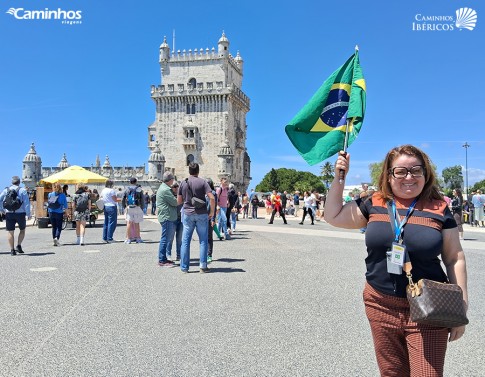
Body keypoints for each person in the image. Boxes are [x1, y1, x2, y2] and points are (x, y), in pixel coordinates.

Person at [324, 145, 468, 376]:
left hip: (429, 305)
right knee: (392, 373)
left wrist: (461, 306)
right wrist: (340, 177)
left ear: (426, 174)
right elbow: (332, 216)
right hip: (380, 303)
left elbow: (454, 258)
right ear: (388, 176)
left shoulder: (439, 207)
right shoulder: (374, 202)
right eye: (400, 171)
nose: (409, 177)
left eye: (416, 170)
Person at [178, 162, 215, 273]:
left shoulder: (183, 183)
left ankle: (184, 267)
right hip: (202, 213)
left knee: (185, 241)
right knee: (203, 240)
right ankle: (203, 266)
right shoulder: (203, 182)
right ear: (198, 171)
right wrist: (212, 212)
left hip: (188, 214)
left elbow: (179, 201)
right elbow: (212, 198)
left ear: (189, 171)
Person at [0, 176, 31, 255]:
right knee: (22, 230)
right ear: (19, 182)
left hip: (9, 213)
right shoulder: (23, 190)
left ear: (12, 182)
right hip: (21, 214)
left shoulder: (6, 190)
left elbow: (0, 200)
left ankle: (12, 250)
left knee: (10, 232)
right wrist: (28, 214)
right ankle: (19, 245)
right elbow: (27, 203)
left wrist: (2, 210)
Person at [156, 172, 178, 267]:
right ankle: (162, 260)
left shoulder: (163, 188)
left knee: (166, 238)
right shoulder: (166, 190)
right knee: (165, 239)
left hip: (167, 216)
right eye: (172, 179)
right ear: (170, 180)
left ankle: (164, 258)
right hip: (167, 217)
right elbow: (175, 202)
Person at [123, 177, 145, 244]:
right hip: (137, 207)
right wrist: (142, 207)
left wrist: (125, 207)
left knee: (129, 223)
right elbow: (142, 199)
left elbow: (123, 199)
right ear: (136, 182)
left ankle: (128, 239)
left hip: (129, 207)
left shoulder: (126, 189)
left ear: (130, 182)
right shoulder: (139, 189)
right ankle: (138, 238)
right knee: (137, 223)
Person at [167, 181, 183, 261]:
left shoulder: (181, 195)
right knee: (170, 238)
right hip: (172, 219)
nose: (176, 188)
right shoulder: (169, 196)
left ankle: (179, 255)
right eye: (174, 186)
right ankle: (168, 255)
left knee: (179, 239)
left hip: (180, 219)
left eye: (177, 186)